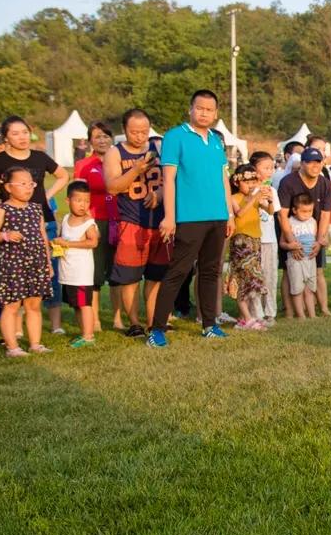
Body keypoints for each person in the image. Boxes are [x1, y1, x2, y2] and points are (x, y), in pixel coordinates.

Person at [147, 90, 235, 347]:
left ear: (216, 113)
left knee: (210, 272)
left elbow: (223, 179)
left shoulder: (216, 141)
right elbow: (169, 179)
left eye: (209, 109)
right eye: (200, 108)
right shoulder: (175, 137)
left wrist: (229, 213)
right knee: (178, 271)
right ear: (190, 109)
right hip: (189, 217)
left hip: (217, 216)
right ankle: (157, 329)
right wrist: (170, 217)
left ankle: (209, 324)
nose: (204, 113)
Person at [104, 109, 168, 337]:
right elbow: (112, 187)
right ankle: (134, 322)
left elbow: (171, 178)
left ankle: (153, 321)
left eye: (144, 131)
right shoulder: (115, 152)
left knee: (156, 275)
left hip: (158, 222)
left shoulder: (158, 148)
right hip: (131, 221)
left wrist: (160, 193)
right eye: (134, 132)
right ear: (124, 130)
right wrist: (136, 169)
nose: (140, 136)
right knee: (130, 276)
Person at [0, 166, 54, 357]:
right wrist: (5, 235)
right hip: (13, 265)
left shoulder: (35, 208)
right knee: (12, 306)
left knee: (33, 305)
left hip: (37, 263)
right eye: (22, 184)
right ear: (8, 187)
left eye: (31, 183)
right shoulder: (1, 210)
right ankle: (12, 347)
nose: (28, 188)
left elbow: (42, 237)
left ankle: (35, 344)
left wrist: (48, 263)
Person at [73, 121, 119, 331]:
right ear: (90, 140)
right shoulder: (84, 165)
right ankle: (95, 320)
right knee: (96, 274)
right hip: (95, 221)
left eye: (106, 136)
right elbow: (77, 195)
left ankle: (118, 318)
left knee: (118, 273)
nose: (102, 140)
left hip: (119, 218)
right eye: (98, 136)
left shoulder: (119, 159)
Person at [276, 146, 331, 317]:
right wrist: (292, 242)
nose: (315, 166)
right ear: (302, 164)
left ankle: (323, 308)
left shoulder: (324, 183)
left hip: (314, 232)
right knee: (288, 271)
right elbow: (282, 215)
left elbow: (325, 214)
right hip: (291, 231)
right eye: (310, 163)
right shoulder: (288, 182)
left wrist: (319, 240)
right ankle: (290, 311)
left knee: (318, 270)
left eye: (319, 162)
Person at [52, 181, 99, 347]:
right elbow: (62, 238)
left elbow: (93, 242)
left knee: (85, 304)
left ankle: (88, 336)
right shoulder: (65, 219)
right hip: (68, 272)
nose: (83, 205)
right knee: (76, 305)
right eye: (78, 200)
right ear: (68, 201)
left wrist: (68, 244)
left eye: (86, 201)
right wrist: (57, 245)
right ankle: (83, 332)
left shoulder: (88, 222)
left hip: (81, 273)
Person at [227, 162, 270, 330]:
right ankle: (247, 318)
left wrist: (269, 200)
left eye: (253, 182)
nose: (251, 185)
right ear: (237, 182)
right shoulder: (233, 198)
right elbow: (239, 213)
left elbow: (271, 211)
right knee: (243, 279)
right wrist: (254, 197)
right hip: (241, 242)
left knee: (252, 280)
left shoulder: (255, 198)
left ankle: (244, 317)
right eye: (247, 182)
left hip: (255, 241)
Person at [248, 151, 280, 323]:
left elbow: (273, 211)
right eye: (265, 168)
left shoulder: (272, 190)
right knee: (254, 277)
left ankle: (270, 312)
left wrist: (269, 199)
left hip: (270, 240)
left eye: (272, 168)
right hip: (253, 240)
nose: (270, 171)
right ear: (254, 169)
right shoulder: (249, 189)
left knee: (270, 277)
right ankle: (255, 313)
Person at [282, 193, 320, 318]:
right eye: (304, 211)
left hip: (310, 260)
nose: (307, 214)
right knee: (297, 289)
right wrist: (290, 246)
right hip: (295, 260)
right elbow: (282, 243)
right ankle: (301, 316)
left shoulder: (313, 222)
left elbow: (316, 239)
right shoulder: (289, 222)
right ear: (294, 210)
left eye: (310, 211)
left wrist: (319, 243)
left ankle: (312, 315)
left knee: (309, 289)